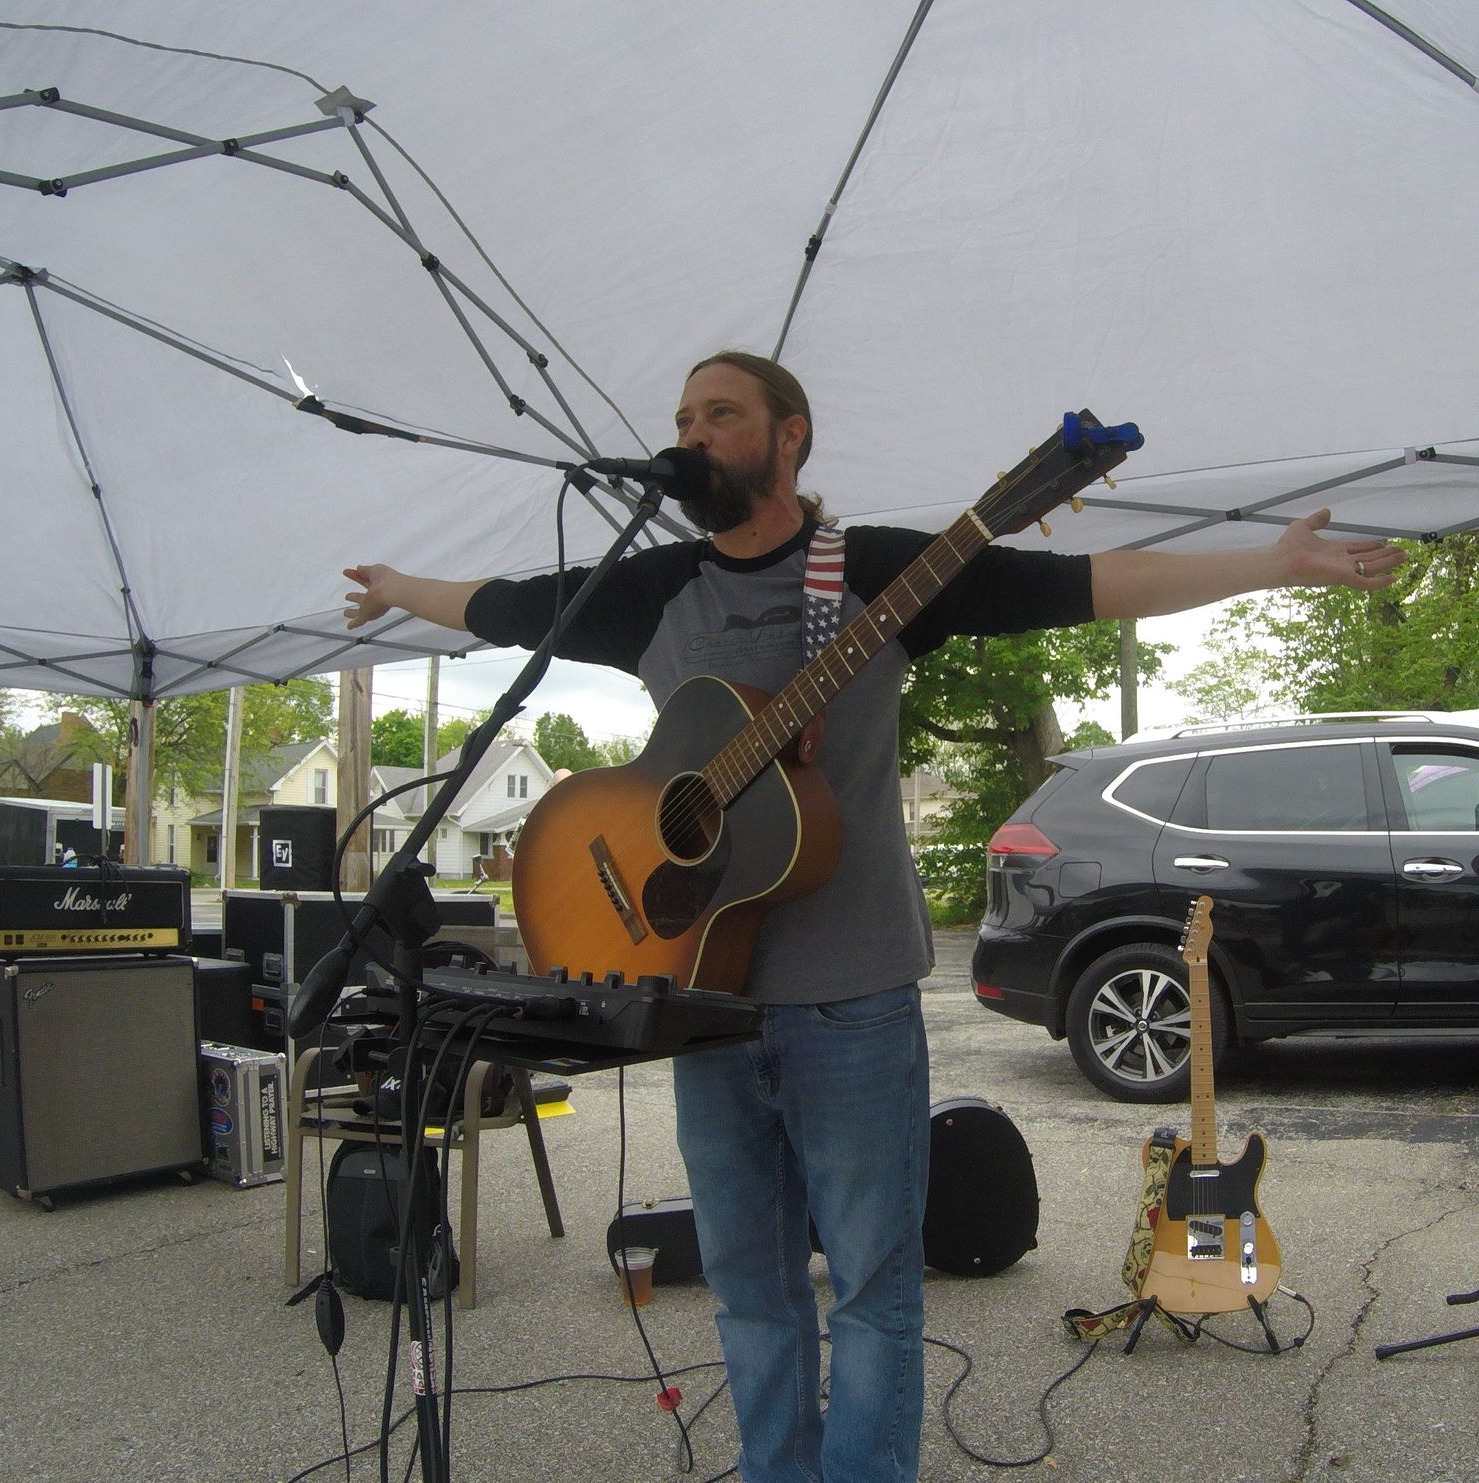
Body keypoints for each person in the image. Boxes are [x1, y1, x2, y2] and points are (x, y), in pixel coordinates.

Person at [342, 351, 1403, 1483]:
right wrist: (400, 586)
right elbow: (505, 610)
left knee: (871, 1291)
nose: (693, 434)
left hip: (851, 999)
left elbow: (1086, 583)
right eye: (684, 418)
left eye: (720, 414)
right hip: (698, 995)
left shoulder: (878, 573)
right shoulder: (655, 589)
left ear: (790, 435)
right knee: (749, 1288)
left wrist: (1272, 565)